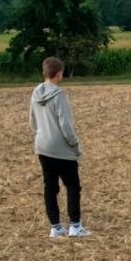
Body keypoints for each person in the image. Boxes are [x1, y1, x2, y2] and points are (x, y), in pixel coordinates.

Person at [29, 56, 90, 238]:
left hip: (42, 145)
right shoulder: (59, 94)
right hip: (61, 147)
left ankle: (55, 227)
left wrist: (40, 135)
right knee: (72, 185)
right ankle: (75, 225)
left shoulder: (35, 92)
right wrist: (74, 144)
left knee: (50, 187)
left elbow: (32, 121)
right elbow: (65, 124)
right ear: (59, 73)